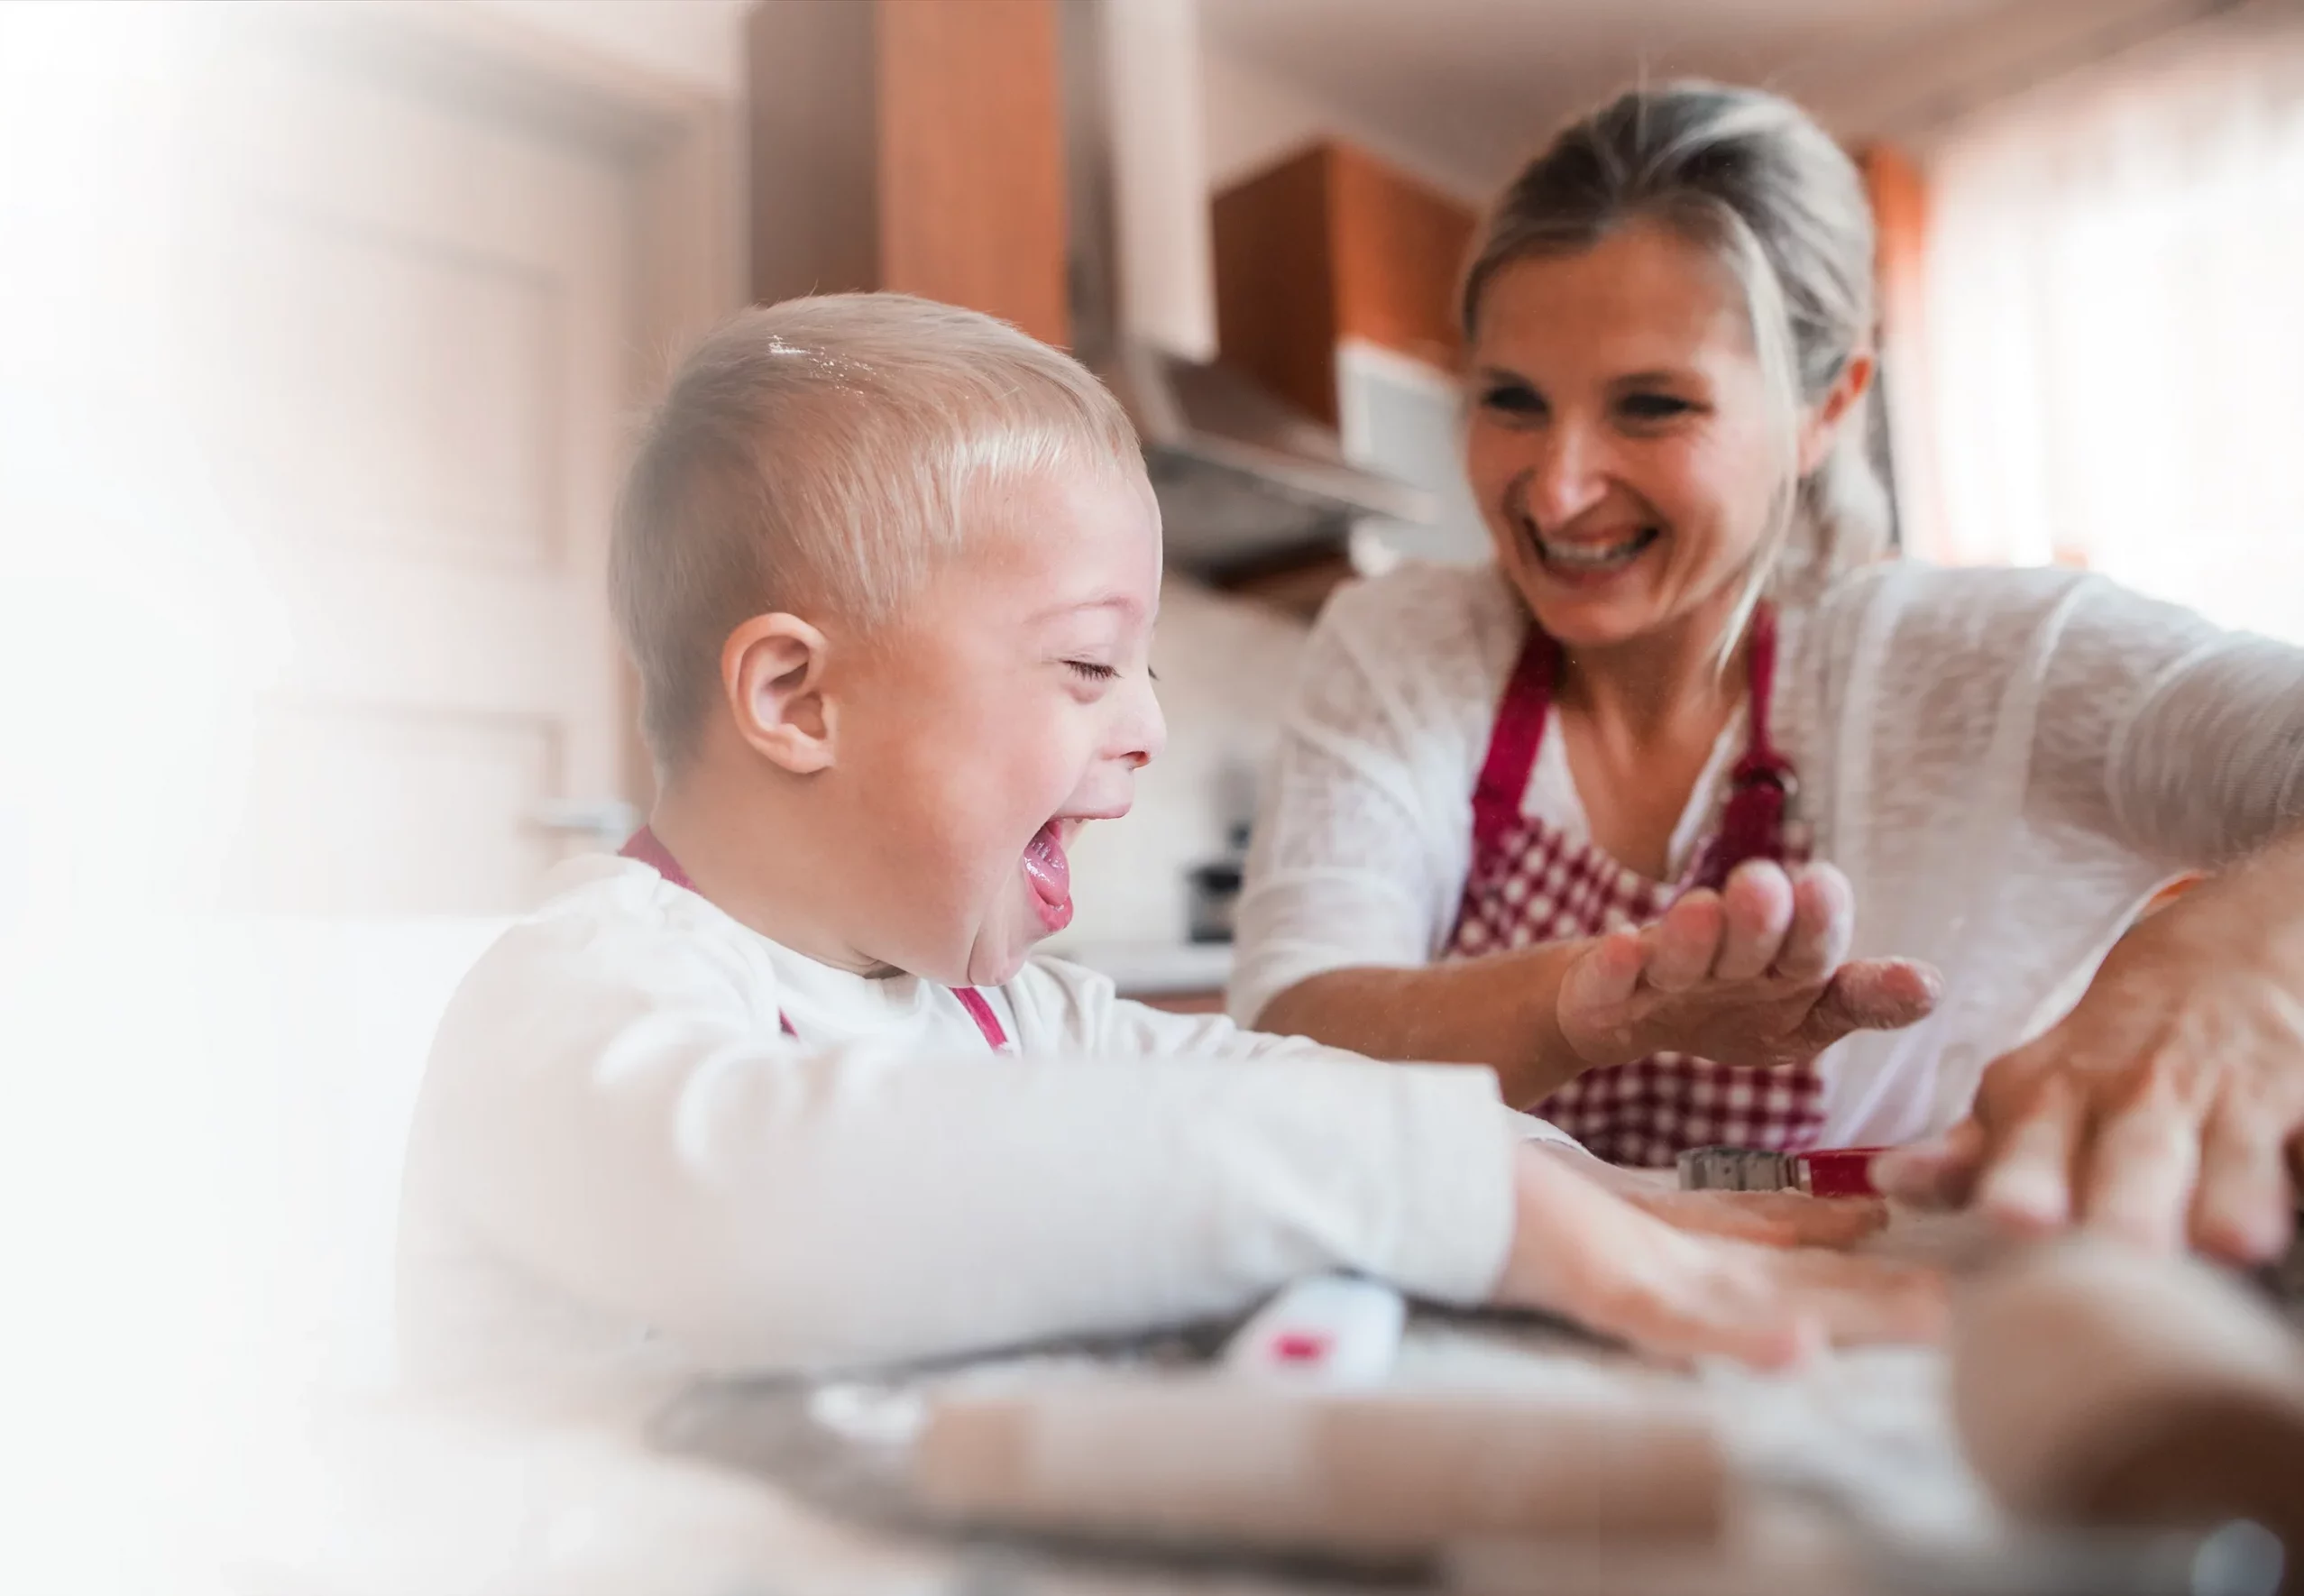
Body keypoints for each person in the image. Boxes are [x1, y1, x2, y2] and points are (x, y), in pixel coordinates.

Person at [393, 294, 1941, 1412]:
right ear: (798, 696)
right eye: (1084, 668)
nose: (1144, 723)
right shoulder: (582, 995)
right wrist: (1445, 1198)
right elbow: (781, 1202)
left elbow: (1255, 1088)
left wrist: (1591, 1185)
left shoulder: (999, 1007)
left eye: (1144, 669)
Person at [1232, 82, 2304, 1264]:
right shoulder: (1401, 644)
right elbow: (1289, 1029)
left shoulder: (1997, 658)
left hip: (1872, 1323)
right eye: (1511, 403)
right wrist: (1585, 1002)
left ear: (1824, 406)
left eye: (1651, 405)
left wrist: (2226, 966)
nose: (1555, 487)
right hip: (1501, 1294)